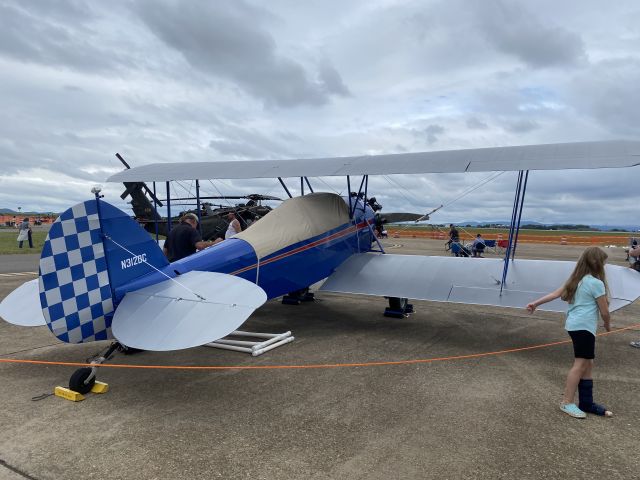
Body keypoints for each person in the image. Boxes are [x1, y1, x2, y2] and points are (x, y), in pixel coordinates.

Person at [526, 247, 613, 419]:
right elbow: (604, 311)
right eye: (603, 262)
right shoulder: (596, 283)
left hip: (575, 325)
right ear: (597, 264)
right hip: (583, 327)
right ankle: (567, 402)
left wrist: (535, 303)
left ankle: (586, 402)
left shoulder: (576, 279)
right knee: (580, 364)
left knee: (588, 363)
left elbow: (554, 294)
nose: (604, 265)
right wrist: (608, 325)